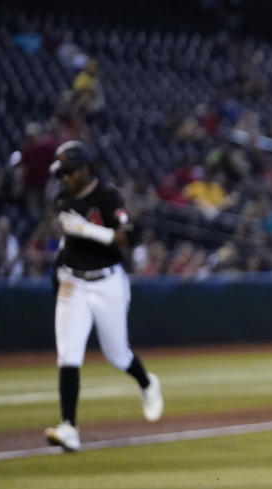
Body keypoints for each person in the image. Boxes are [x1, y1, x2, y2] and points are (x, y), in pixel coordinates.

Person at [43, 141, 163, 452]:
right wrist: (58, 280)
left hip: (107, 282)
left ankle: (147, 383)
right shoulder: (62, 199)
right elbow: (69, 245)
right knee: (68, 355)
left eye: (69, 171)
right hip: (74, 282)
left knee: (117, 354)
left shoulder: (107, 197)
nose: (65, 178)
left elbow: (129, 238)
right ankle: (69, 427)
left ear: (85, 169)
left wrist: (89, 230)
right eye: (62, 173)